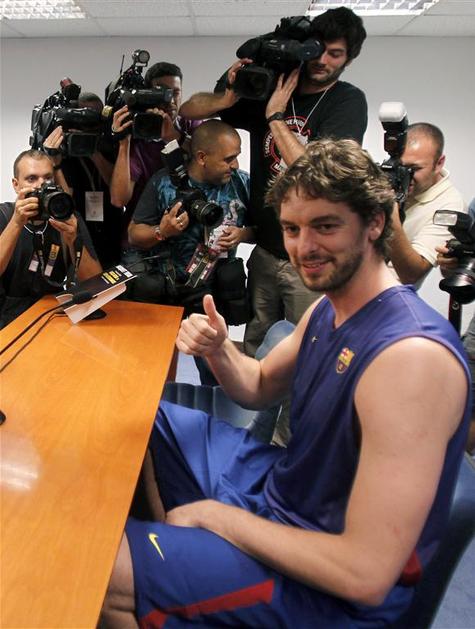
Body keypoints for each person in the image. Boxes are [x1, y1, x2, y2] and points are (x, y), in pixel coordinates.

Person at [100, 139, 470, 628]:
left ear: (375, 223)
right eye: (292, 229)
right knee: (143, 416)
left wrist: (219, 519)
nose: (303, 247)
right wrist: (218, 349)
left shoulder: (410, 359)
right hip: (283, 492)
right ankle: (170, 573)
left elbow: (365, 574)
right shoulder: (330, 307)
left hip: (329, 589)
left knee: (101, 572)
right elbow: (256, 387)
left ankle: (153, 580)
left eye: (325, 226)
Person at [180, 7, 368, 357]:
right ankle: (253, 396)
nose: (322, 60)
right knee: (256, 344)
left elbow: (318, 170)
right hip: (266, 251)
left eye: (335, 54)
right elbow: (189, 110)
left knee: (308, 350)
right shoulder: (273, 86)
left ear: (349, 59)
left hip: (311, 257)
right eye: (318, 49)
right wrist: (227, 96)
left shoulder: (347, 101)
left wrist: (276, 117)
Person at [128, 120, 253, 363]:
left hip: (211, 292)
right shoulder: (164, 183)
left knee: (215, 367)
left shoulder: (241, 183)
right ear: (202, 157)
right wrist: (162, 231)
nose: (235, 165)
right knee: (152, 362)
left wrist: (243, 234)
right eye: (228, 159)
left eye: (236, 157)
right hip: (166, 287)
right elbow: (134, 234)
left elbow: (266, 231)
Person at [0, 149, 101, 327]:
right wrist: (16, 222)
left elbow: (95, 283)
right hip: (6, 315)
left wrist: (73, 240)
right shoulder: (4, 215)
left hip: (53, 313)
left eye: (48, 178)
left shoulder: (66, 216)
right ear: (16, 184)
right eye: (32, 179)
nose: (41, 185)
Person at [109, 61, 201, 255]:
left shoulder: (190, 124)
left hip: (188, 240)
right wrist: (124, 141)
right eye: (162, 92)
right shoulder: (138, 133)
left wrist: (174, 137)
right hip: (144, 240)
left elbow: (210, 155)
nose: (170, 100)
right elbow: (119, 199)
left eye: (175, 92)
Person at [43, 92, 122, 269]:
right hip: (80, 231)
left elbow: (118, 192)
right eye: (83, 122)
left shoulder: (109, 146)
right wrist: (57, 160)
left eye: (94, 122)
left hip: (111, 230)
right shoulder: (64, 153)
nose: (88, 129)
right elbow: (64, 199)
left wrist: (95, 153)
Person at [388, 122, 467, 289]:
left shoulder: (450, 205)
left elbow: (411, 275)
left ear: (439, 163)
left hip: (390, 295)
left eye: (414, 169)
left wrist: (390, 216)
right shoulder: (387, 178)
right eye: (400, 167)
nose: (405, 176)